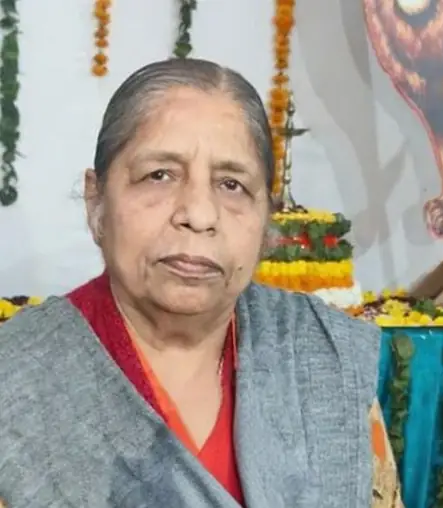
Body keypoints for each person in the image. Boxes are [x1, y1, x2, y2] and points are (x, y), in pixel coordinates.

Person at [0, 58, 387, 507]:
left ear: (266, 219)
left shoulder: (323, 358)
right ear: (96, 201)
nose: (199, 215)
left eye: (231, 184)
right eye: (159, 175)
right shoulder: (18, 381)